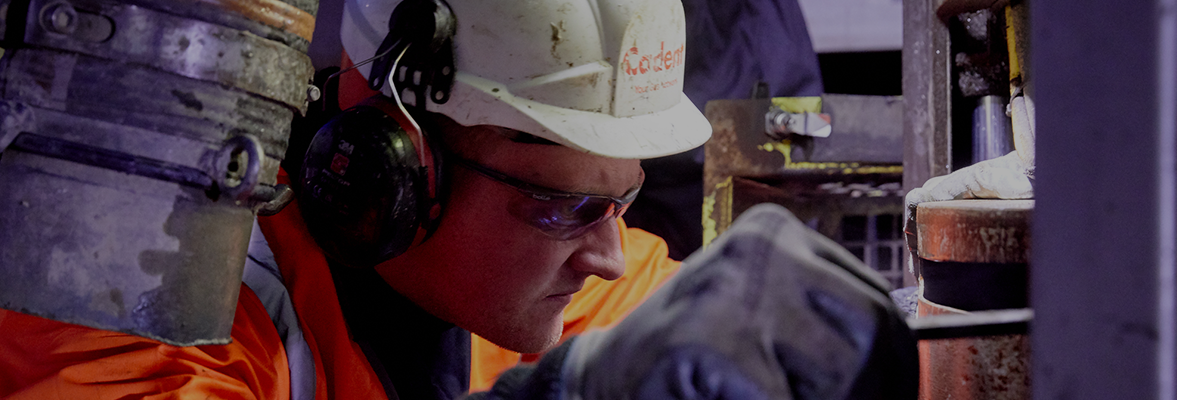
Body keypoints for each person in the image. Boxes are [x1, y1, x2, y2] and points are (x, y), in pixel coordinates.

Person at [0, 0, 915, 399]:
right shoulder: (148, 302)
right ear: (392, 172)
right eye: (562, 208)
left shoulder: (552, 288)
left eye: (623, 202)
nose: (606, 252)